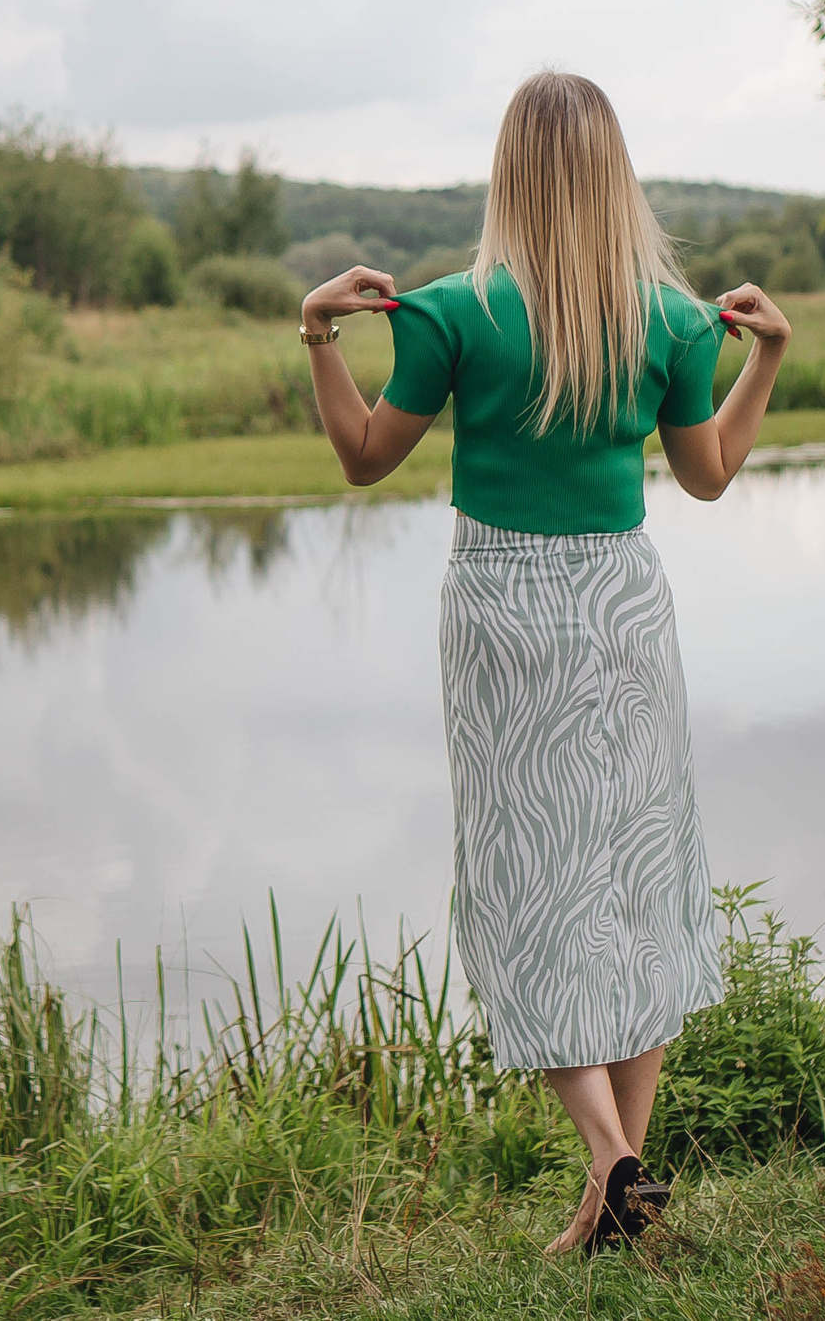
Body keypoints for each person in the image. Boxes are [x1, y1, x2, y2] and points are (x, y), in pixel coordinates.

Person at [298, 71, 791, 1256]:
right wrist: (765, 358)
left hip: (503, 608)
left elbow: (364, 457)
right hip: (623, 605)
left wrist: (316, 335)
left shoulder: (450, 313)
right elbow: (708, 476)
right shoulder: (672, 320)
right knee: (635, 882)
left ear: (508, 171)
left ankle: (611, 1168)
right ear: (614, 171)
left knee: (526, 883)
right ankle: (617, 1182)